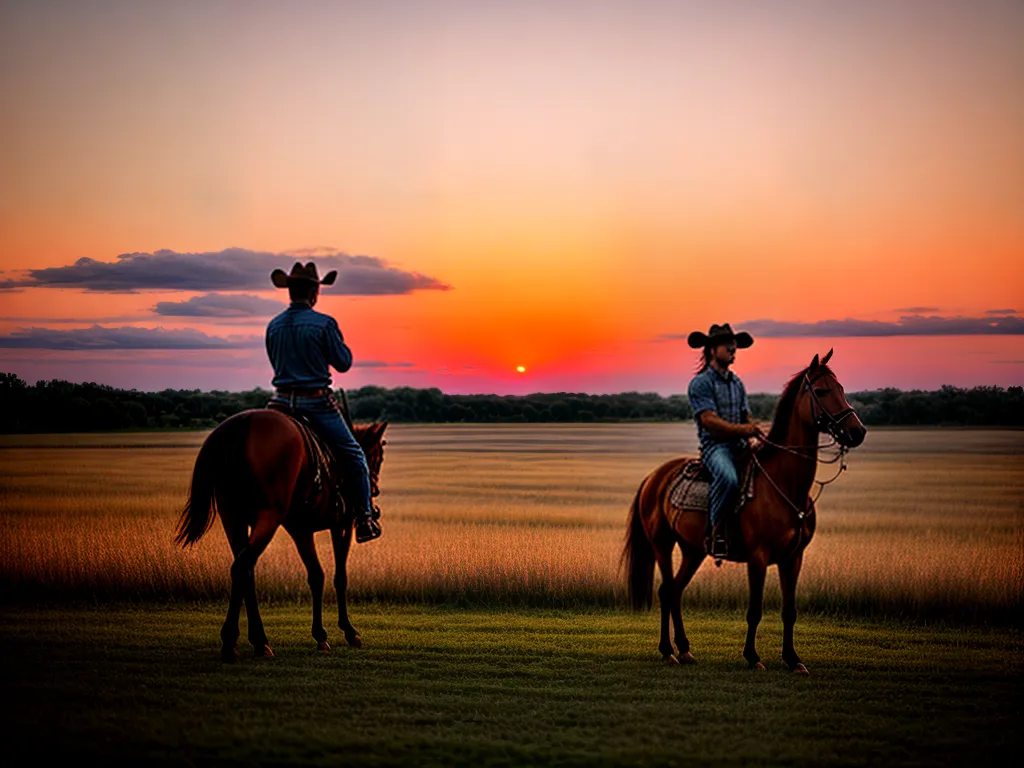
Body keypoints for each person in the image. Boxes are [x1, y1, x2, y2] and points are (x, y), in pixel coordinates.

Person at [265, 261, 382, 543]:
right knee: (354, 454)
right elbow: (342, 363)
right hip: (314, 404)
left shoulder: (274, 326)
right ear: (315, 291)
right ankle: (365, 517)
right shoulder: (324, 324)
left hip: (279, 403)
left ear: (290, 291)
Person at [686, 323, 762, 558]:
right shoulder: (701, 383)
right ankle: (716, 532)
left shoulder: (737, 383)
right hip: (715, 447)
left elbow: (744, 414)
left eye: (734, 344)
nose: (733, 348)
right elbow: (710, 422)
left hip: (740, 445)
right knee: (728, 478)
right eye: (727, 345)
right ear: (711, 349)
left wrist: (755, 431)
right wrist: (745, 430)